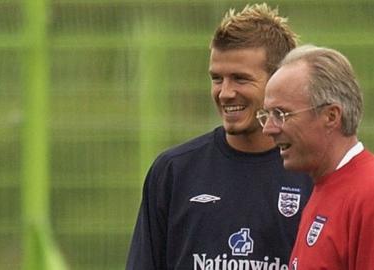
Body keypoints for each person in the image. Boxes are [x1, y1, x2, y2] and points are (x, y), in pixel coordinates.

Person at [126, 4, 313, 270]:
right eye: (217, 78)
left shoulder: (313, 176)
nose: (225, 93)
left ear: (278, 81)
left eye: (240, 79)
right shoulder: (174, 172)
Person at [258, 44, 374, 270]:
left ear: (331, 116)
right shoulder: (325, 186)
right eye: (266, 114)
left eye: (280, 114)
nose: (268, 128)